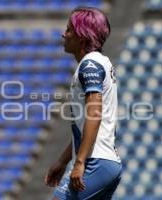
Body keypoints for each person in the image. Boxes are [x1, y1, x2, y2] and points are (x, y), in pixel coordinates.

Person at [45, 7, 122, 200]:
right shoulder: (99, 63)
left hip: (95, 162)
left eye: (69, 29)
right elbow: (85, 125)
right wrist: (63, 161)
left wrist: (79, 162)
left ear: (82, 36)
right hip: (105, 161)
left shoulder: (89, 66)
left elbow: (94, 115)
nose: (64, 34)